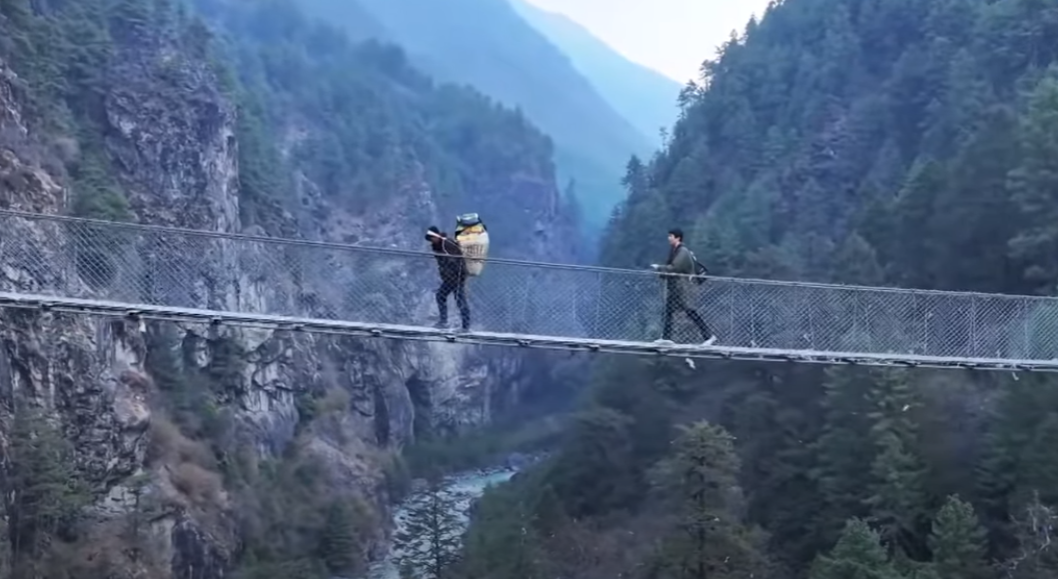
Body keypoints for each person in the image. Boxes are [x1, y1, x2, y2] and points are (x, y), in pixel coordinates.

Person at [650, 228, 717, 346]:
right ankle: (667, 337)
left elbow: (675, 267)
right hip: (676, 288)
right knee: (669, 311)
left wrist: (659, 268)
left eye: (671, 236)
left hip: (683, 289)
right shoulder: (675, 251)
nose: (669, 238)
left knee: (690, 311)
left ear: (678, 238)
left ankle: (708, 336)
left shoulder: (683, 252)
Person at [426, 226, 470, 331]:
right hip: (449, 278)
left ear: (436, 236)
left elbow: (457, 260)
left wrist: (458, 274)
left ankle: (465, 326)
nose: (432, 240)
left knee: (460, 301)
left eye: (432, 238)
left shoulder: (447, 244)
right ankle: (444, 322)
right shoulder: (438, 246)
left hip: (456, 277)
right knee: (441, 296)